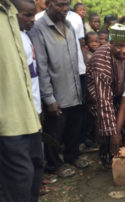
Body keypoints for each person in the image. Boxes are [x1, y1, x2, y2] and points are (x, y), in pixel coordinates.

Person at [29, 0, 88, 177]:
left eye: (67, 4)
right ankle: (54, 164)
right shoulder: (38, 28)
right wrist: (49, 98)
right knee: (55, 130)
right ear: (48, 4)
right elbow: (41, 65)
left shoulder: (69, 24)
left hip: (75, 86)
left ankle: (72, 155)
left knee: (74, 126)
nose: (65, 9)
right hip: (56, 90)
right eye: (60, 5)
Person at [0, 0, 43, 201]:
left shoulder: (15, 23)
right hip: (8, 118)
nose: (31, 20)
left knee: (35, 167)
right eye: (27, 15)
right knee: (20, 176)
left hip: (29, 112)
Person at [86, 23, 125, 166]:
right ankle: (106, 154)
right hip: (98, 96)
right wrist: (114, 134)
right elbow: (104, 102)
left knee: (121, 122)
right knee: (105, 126)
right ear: (110, 43)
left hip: (116, 90)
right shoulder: (101, 62)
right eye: (119, 46)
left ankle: (120, 152)